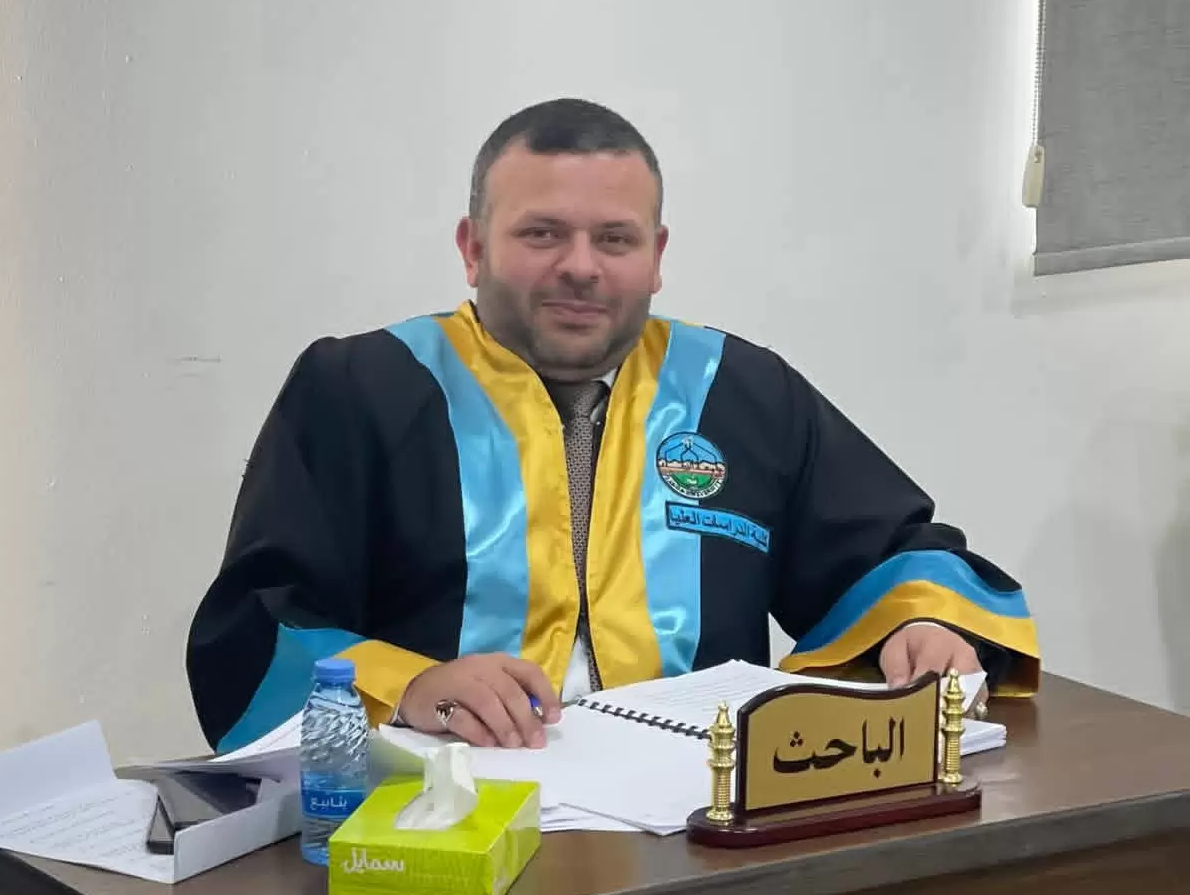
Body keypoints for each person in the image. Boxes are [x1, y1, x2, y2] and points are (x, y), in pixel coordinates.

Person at [188, 100, 1038, 752]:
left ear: (657, 257)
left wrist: (921, 625)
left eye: (615, 239)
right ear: (472, 248)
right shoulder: (361, 391)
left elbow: (891, 552)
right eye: (542, 234)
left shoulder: (741, 392)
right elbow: (259, 627)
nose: (581, 267)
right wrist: (412, 687)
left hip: (698, 819)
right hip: (440, 814)